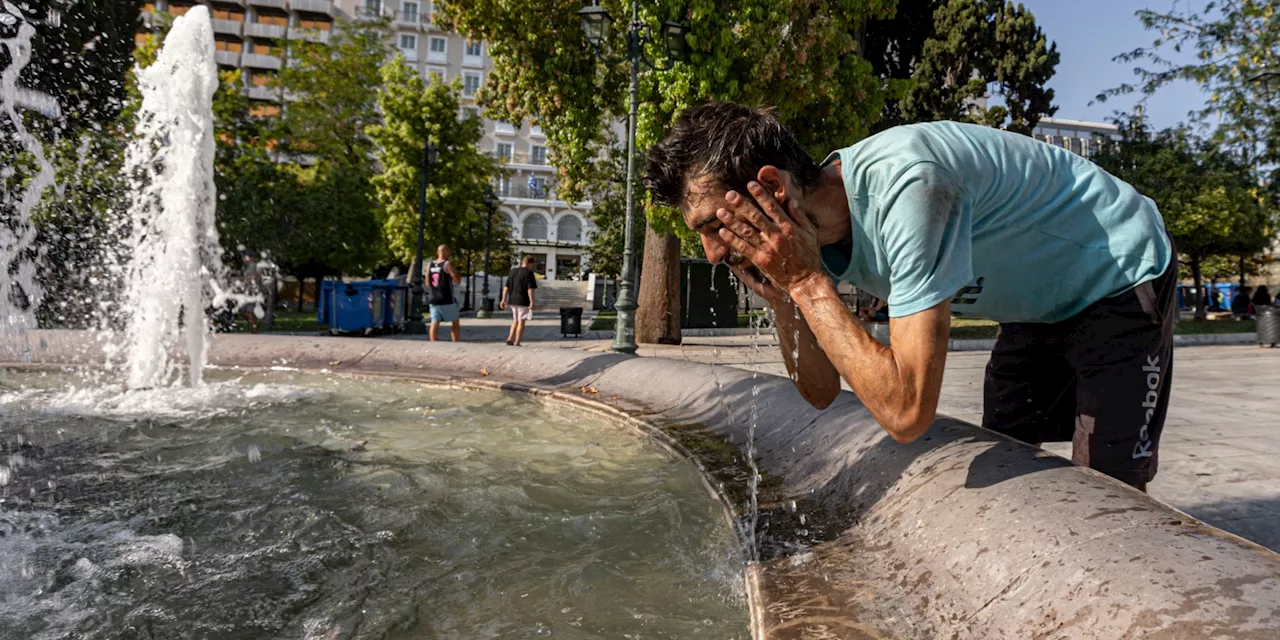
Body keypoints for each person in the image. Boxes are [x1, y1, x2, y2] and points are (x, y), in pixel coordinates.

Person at [645, 102, 1177, 491]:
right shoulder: (810, 241)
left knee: (1111, 487)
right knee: (1005, 460)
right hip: (1033, 304)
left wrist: (807, 284)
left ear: (773, 189)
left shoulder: (909, 187)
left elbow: (906, 411)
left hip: (1116, 272)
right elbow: (822, 391)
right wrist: (788, 297)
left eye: (713, 224)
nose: (712, 252)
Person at [426, 245, 462, 342]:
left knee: (434, 322)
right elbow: (457, 279)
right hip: (447, 298)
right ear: (447, 252)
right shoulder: (447, 264)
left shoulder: (430, 264)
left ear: (437, 252)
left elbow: (427, 283)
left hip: (434, 297)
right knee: (455, 322)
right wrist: (457, 277)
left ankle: (433, 342)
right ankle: (456, 342)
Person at [501, 256, 538, 346]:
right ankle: (517, 342)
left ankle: (510, 338)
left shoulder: (512, 271)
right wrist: (532, 301)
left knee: (515, 320)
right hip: (523, 300)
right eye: (532, 265)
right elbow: (530, 289)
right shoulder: (529, 273)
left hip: (512, 300)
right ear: (530, 263)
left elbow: (506, 287)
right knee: (521, 321)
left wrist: (503, 299)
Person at [238, 251, 262, 334]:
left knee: (248, 311)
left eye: (245, 257)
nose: (244, 258)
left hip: (251, 292)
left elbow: (254, 277)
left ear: (250, 257)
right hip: (248, 291)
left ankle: (254, 329)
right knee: (244, 310)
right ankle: (253, 328)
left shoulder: (253, 266)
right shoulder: (249, 266)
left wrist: (243, 280)